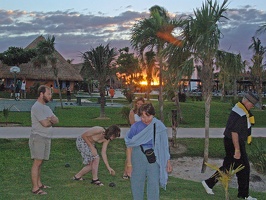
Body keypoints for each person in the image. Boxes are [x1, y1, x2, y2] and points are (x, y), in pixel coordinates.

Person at [202, 92, 260, 200]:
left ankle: (209, 183)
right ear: (247, 102)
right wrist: (237, 150)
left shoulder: (241, 109)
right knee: (244, 167)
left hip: (232, 141)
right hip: (234, 142)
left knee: (230, 166)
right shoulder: (240, 113)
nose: (252, 107)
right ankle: (244, 195)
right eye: (252, 104)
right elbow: (234, 132)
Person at [125, 103, 172, 200]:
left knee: (153, 184)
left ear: (153, 114)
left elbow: (164, 146)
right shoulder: (136, 127)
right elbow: (129, 146)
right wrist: (129, 165)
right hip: (138, 155)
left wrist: (167, 162)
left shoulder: (159, 126)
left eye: (148, 116)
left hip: (154, 156)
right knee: (137, 183)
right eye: (142, 117)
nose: (145, 120)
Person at [29, 85, 59, 195]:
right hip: (38, 137)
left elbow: (57, 120)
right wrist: (50, 120)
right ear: (42, 94)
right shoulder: (36, 107)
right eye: (49, 94)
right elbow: (45, 123)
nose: (50, 96)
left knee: (40, 162)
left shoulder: (46, 108)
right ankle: (35, 188)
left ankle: (39, 184)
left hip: (46, 138)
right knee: (37, 162)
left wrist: (50, 120)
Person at [122, 97, 145, 179]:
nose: (139, 105)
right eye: (138, 104)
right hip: (134, 134)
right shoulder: (132, 112)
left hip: (142, 135)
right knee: (130, 153)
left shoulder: (144, 112)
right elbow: (132, 124)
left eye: (141, 104)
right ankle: (125, 172)